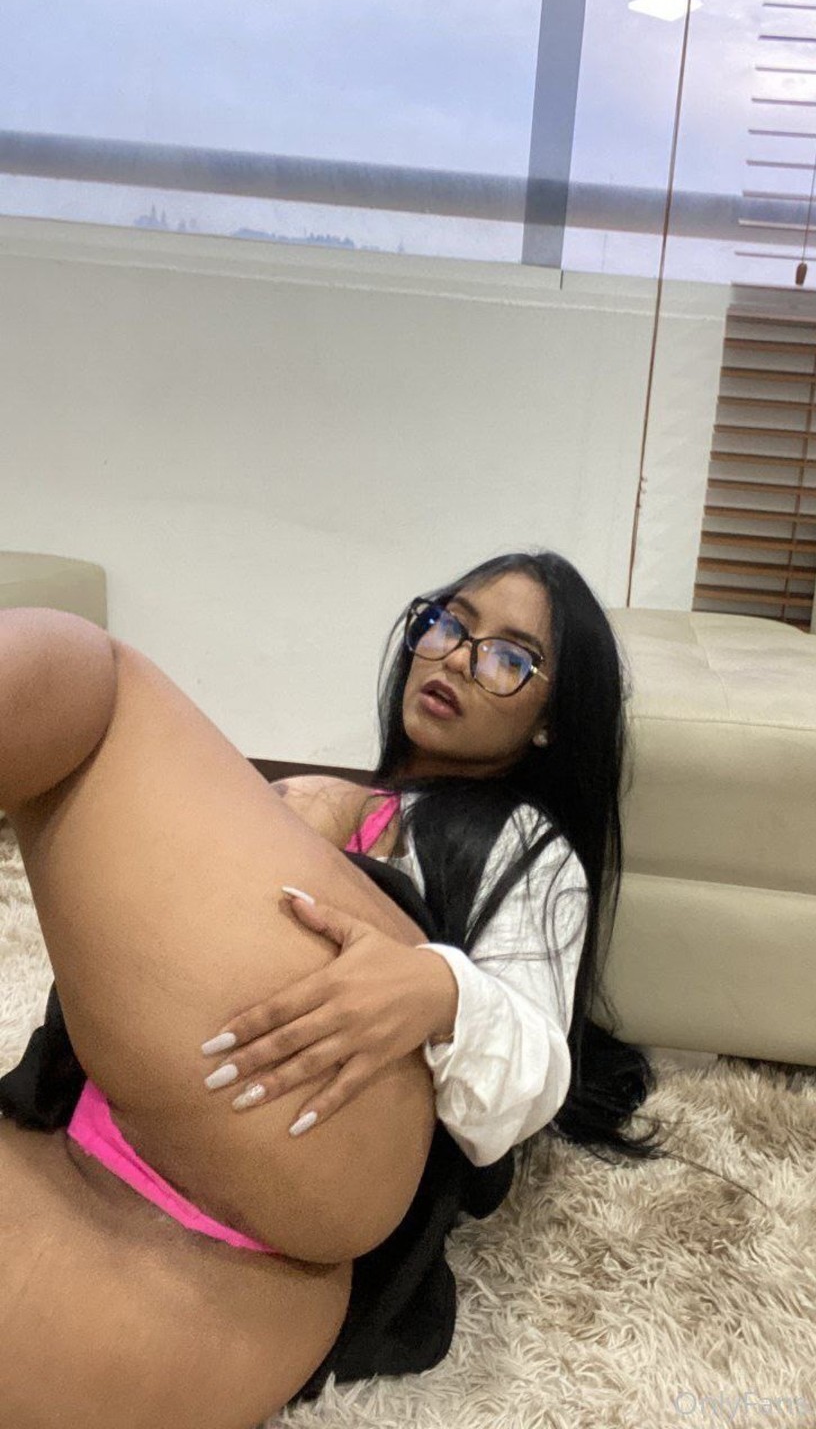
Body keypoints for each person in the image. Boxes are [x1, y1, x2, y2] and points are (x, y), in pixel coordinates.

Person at [0, 549, 695, 1428]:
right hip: (129, 1182)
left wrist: (438, 989)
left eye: (508, 657)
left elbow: (536, 1069)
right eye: (448, 624)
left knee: (86, 684)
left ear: (551, 722)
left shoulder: (525, 845)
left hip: (310, 1175)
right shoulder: (339, 799)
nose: (456, 657)